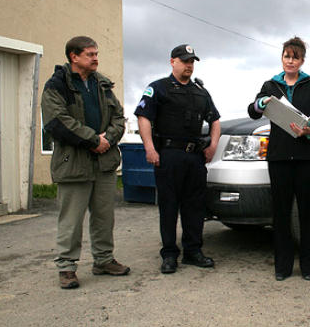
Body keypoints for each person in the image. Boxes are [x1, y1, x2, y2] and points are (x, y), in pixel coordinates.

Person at [41, 36, 130, 289]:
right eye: (90, 54)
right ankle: (67, 268)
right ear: (74, 56)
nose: (95, 58)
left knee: (104, 216)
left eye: (96, 53)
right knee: (71, 218)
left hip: (103, 161)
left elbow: (119, 117)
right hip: (74, 162)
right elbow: (57, 122)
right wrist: (93, 140)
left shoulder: (101, 83)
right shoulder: (57, 85)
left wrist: (107, 140)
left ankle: (103, 260)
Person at [248, 37, 310, 281]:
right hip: (279, 157)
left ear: (302, 60)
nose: (290, 60)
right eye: (287, 56)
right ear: (282, 58)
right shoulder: (270, 85)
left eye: (295, 57)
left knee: (307, 211)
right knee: (281, 213)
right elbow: (252, 111)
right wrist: (261, 102)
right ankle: (282, 267)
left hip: (307, 157)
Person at [135, 44, 220, 274]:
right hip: (168, 156)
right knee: (169, 207)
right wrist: (150, 148)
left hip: (195, 157)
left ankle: (193, 251)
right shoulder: (158, 88)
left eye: (192, 61)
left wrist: (213, 145)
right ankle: (170, 254)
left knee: (195, 207)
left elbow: (215, 120)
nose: (189, 65)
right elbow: (143, 117)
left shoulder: (201, 92)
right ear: (172, 62)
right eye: (185, 61)